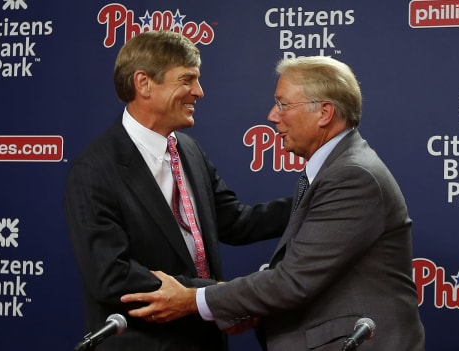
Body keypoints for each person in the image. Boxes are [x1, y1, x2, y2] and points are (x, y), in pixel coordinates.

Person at [120, 56, 426, 351]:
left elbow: (293, 280)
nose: (272, 115)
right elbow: (301, 268)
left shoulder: (351, 176)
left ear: (324, 113)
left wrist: (193, 299)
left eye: (283, 104)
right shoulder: (335, 168)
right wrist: (245, 304)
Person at [64, 30, 292, 351]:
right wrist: (209, 295)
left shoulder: (188, 149)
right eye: (187, 80)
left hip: (206, 341)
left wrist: (312, 201)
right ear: (143, 84)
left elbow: (235, 221)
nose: (199, 91)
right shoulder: (95, 170)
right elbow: (111, 276)